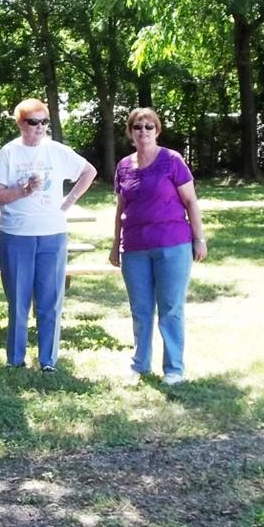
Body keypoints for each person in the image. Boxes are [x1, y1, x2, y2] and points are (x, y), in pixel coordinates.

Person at [0, 99, 97, 374]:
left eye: (44, 122)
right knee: (18, 301)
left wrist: (69, 202)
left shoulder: (57, 151)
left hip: (52, 234)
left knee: (50, 299)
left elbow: (89, 171)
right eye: (32, 122)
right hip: (16, 234)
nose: (39, 127)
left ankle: (48, 360)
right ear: (20, 124)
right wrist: (23, 191)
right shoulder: (9, 153)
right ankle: (15, 360)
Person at [110, 108, 207, 386]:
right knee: (140, 310)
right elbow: (121, 208)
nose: (143, 131)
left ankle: (174, 369)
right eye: (137, 127)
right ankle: (139, 365)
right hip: (134, 248)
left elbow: (190, 201)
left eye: (148, 126)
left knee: (170, 308)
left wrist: (199, 239)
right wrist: (115, 245)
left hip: (172, 244)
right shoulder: (123, 166)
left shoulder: (172, 160)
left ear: (157, 130)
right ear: (130, 132)